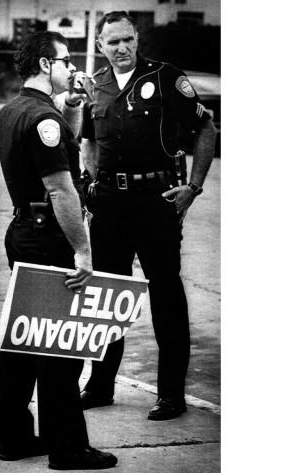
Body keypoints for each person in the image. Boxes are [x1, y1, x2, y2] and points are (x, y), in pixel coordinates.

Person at [78, 11, 218, 421]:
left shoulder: (164, 78)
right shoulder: (97, 86)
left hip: (156, 202)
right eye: (112, 42)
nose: (121, 49)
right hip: (108, 205)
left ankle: (170, 394)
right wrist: (89, 182)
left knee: (166, 296)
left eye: (127, 40)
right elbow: (88, 138)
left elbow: (206, 128)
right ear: (100, 46)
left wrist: (193, 187)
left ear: (137, 40)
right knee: (106, 297)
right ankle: (100, 384)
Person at [0, 31, 118, 470]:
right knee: (61, 350)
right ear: (46, 65)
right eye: (65, 61)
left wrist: (74, 106)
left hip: (25, 230)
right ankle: (68, 448)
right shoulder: (42, 118)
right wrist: (82, 251)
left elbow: (60, 141)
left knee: (23, 342)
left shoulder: (15, 110)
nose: (72, 69)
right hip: (50, 239)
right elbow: (62, 189)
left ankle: (14, 435)